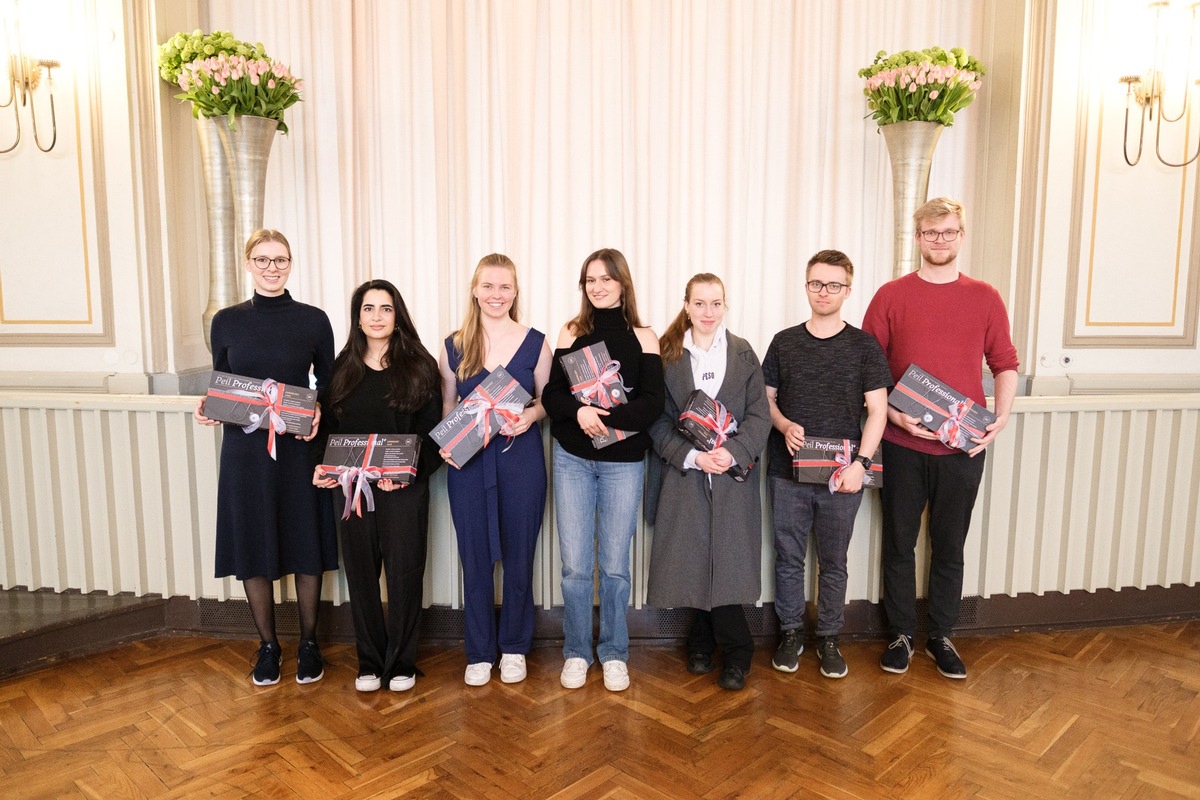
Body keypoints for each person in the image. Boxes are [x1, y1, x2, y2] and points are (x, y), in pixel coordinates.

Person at [862, 198, 1019, 679]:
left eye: (949, 232)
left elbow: (1006, 364)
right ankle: (902, 635)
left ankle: (942, 636)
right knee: (899, 544)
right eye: (931, 233)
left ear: (961, 235)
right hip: (903, 443)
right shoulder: (890, 295)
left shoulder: (986, 297)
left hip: (963, 447)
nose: (940, 240)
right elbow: (866, 370)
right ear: (918, 238)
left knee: (950, 545)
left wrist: (1001, 418)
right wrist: (892, 414)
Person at [193, 229, 337, 686]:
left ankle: (310, 644)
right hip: (245, 452)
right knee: (254, 541)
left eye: (280, 260)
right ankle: (269, 646)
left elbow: (331, 386)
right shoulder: (226, 320)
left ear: (291, 264)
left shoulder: (314, 319)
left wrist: (317, 412)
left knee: (305, 541)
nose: (271, 267)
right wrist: (208, 405)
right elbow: (223, 381)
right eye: (262, 259)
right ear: (248, 263)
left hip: (297, 449)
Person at [763, 250, 892, 680]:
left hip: (843, 475)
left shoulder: (863, 346)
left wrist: (861, 463)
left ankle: (830, 637)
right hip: (788, 471)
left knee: (834, 561)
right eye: (817, 283)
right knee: (788, 557)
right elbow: (766, 400)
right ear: (805, 286)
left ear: (848, 291)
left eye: (834, 285)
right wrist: (782, 424)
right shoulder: (784, 341)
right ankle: (791, 632)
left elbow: (877, 410)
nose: (824, 291)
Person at [542, 247, 665, 692]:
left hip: (623, 464)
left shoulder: (644, 335)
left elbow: (652, 404)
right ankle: (576, 651)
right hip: (573, 459)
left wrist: (603, 417)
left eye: (606, 279)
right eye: (590, 279)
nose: (597, 286)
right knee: (575, 565)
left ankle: (614, 653)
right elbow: (553, 396)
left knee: (614, 567)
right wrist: (578, 414)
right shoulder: (571, 331)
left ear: (623, 283)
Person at [313, 280, 442, 693]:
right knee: (362, 573)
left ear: (397, 314)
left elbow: (433, 433)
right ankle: (369, 661)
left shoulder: (420, 365)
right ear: (357, 317)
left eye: (385, 309)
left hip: (403, 490)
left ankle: (402, 662)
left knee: (405, 573)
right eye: (368, 309)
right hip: (352, 489)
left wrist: (407, 475)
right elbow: (327, 433)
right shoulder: (340, 369)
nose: (376, 317)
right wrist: (324, 468)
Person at [646, 274, 770, 691]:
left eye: (716, 303)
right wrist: (693, 456)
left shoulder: (744, 353)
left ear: (725, 305)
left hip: (733, 475)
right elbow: (657, 421)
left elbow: (759, 416)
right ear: (686, 305)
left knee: (729, 558)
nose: (708, 312)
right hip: (686, 473)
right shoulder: (667, 355)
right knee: (694, 555)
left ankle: (737, 650)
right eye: (699, 304)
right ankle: (701, 640)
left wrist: (734, 452)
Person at [439, 254, 551, 687]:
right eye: (488, 286)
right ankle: (480, 651)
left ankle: (516, 648)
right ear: (474, 290)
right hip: (467, 464)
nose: (496, 295)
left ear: (516, 292)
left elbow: (547, 400)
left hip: (519, 459)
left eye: (505, 287)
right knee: (475, 558)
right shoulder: (452, 345)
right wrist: (448, 443)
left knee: (520, 556)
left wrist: (533, 417)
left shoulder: (536, 342)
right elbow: (447, 403)